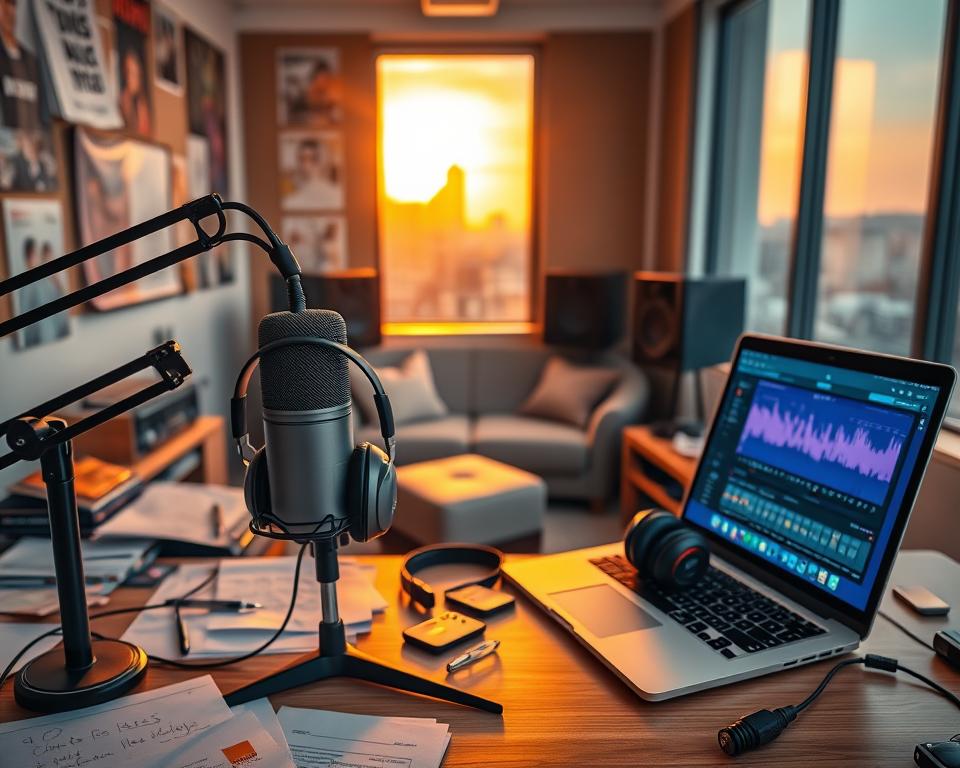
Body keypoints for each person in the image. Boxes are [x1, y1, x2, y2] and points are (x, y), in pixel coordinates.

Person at [16, 238, 69, 349]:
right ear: (29, 255)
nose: (38, 258)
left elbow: (61, 300)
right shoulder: (27, 285)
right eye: (35, 254)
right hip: (41, 339)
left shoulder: (42, 281)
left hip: (51, 336)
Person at [282, 137, 343, 209]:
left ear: (322, 161)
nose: (306, 165)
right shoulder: (290, 200)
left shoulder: (336, 195)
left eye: (313, 159)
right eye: (302, 159)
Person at [119, 49, 151, 135]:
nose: (130, 79)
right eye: (127, 72)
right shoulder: (123, 100)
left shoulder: (143, 104)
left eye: (133, 73)